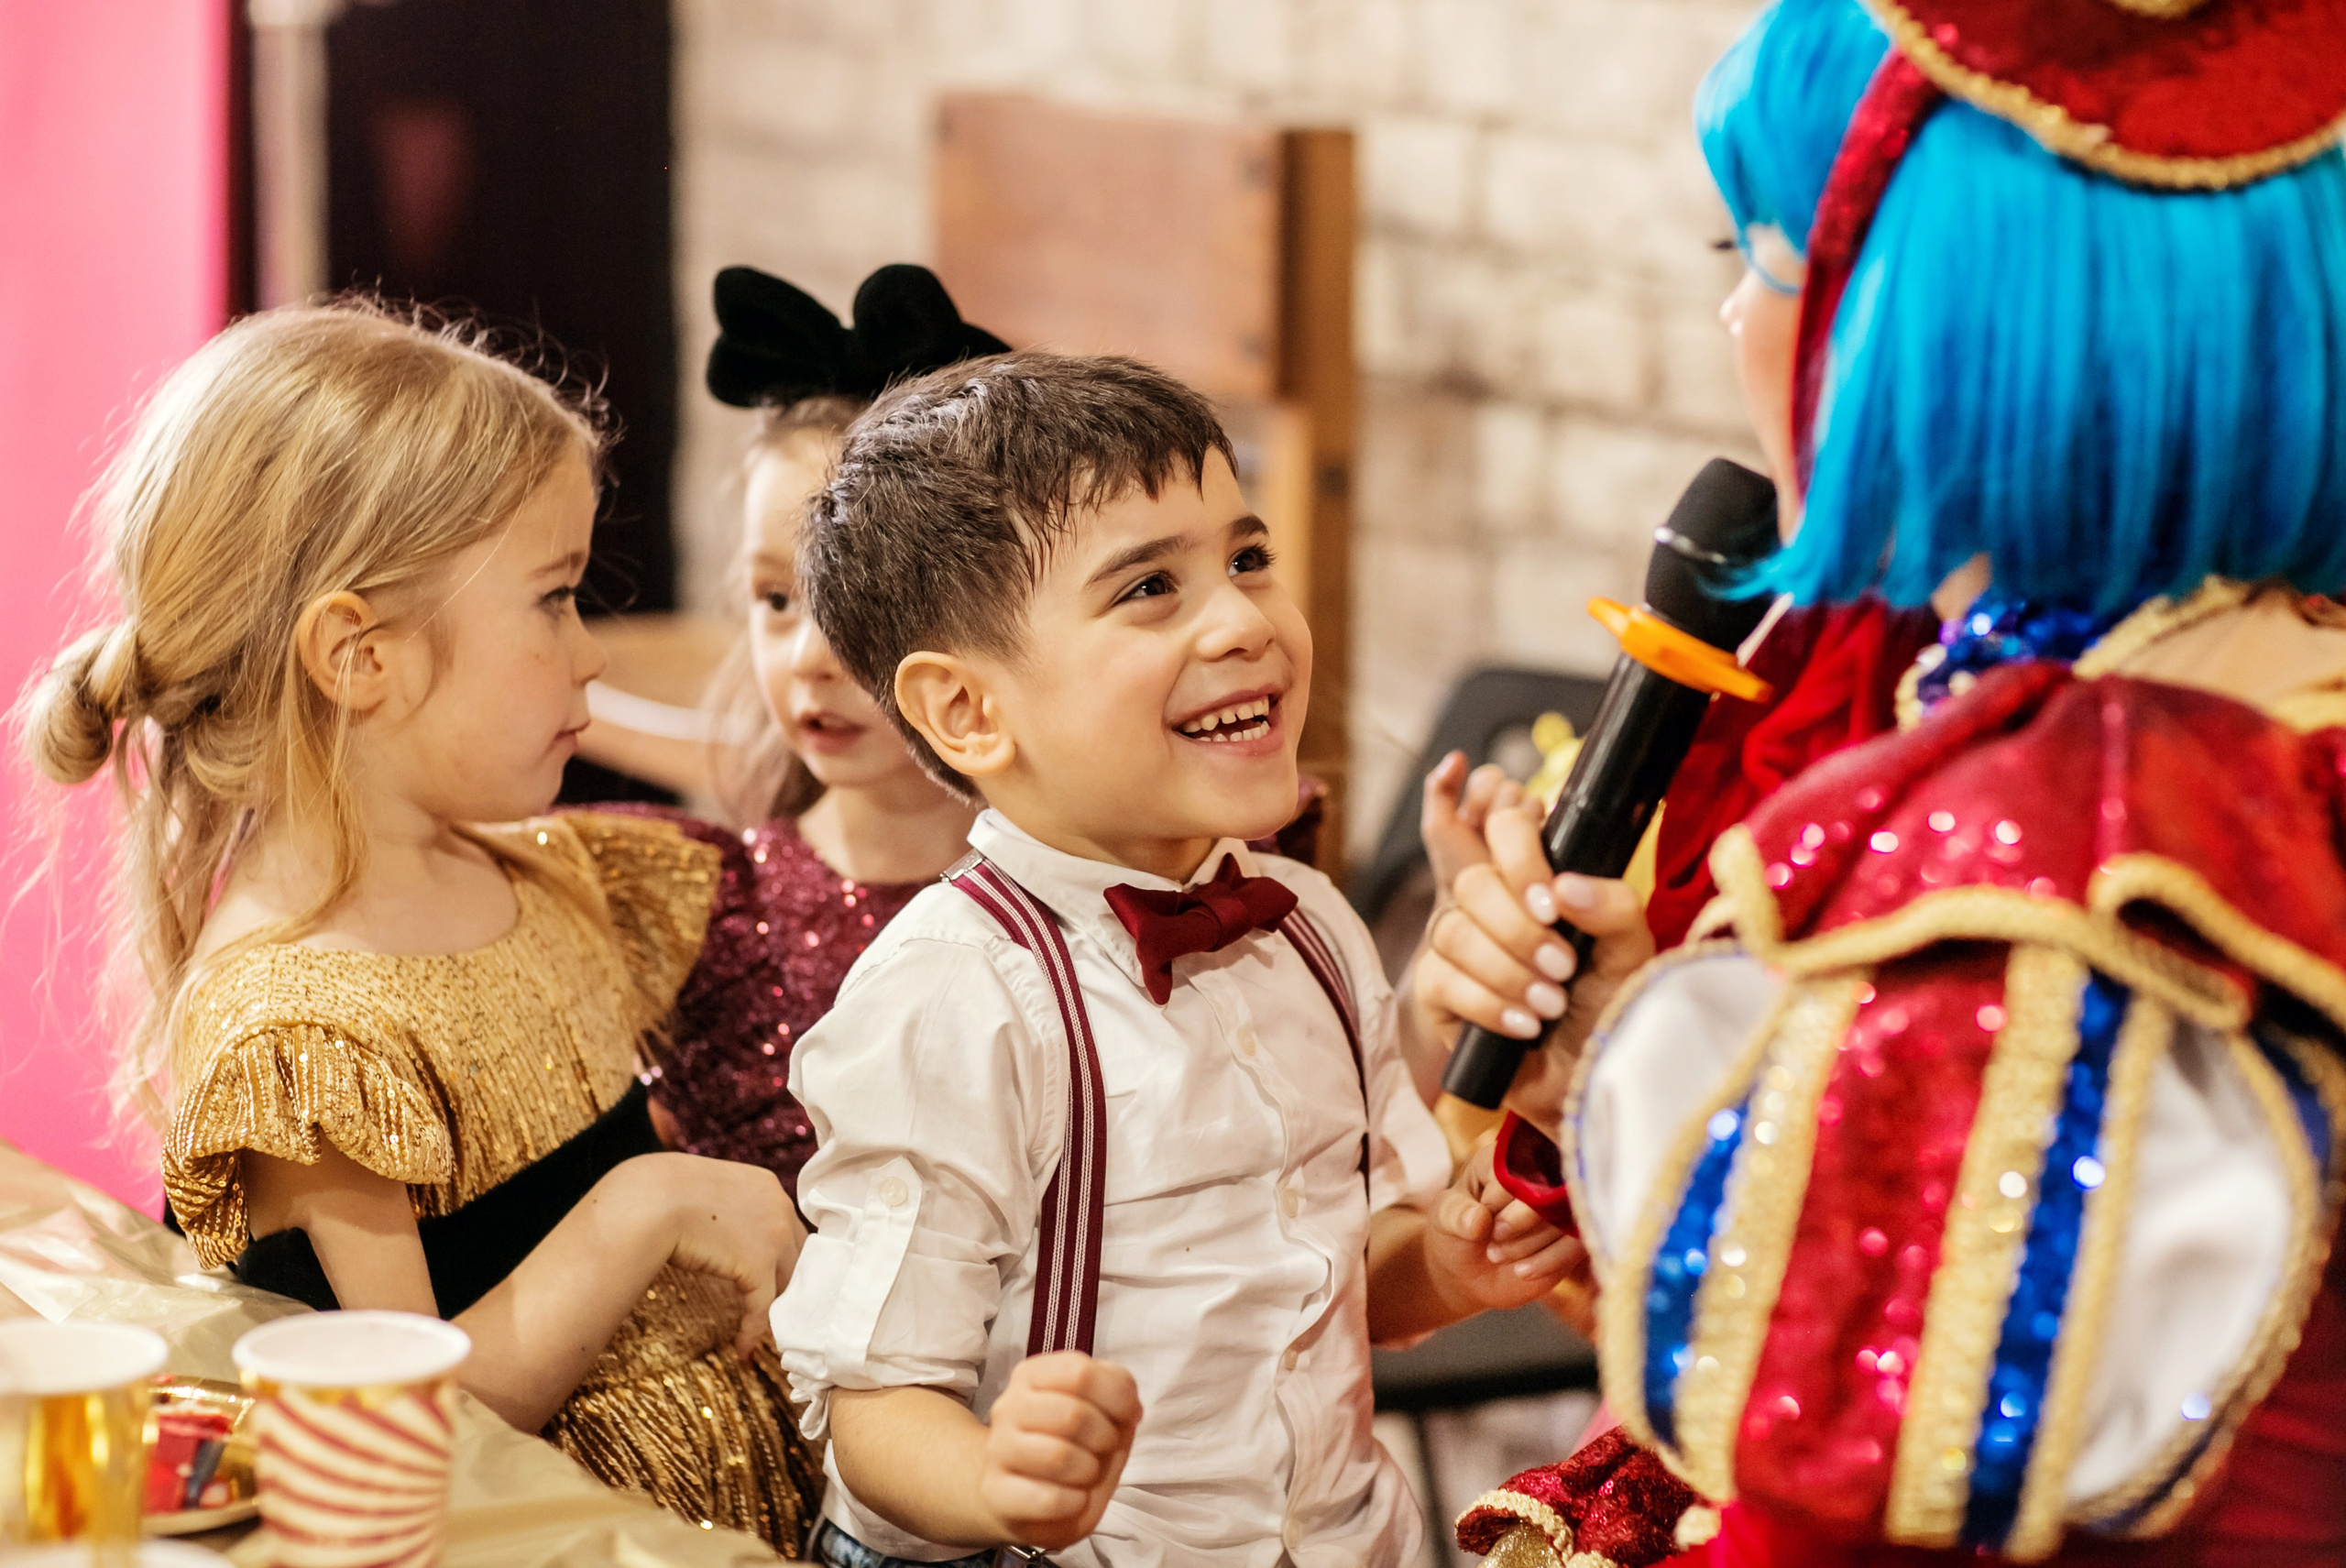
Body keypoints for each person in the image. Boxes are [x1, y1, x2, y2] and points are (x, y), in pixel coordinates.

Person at [1419, 1, 2346, 1564]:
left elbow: (1850, 1482)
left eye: (1773, 261)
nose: (1738, 329)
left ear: (1958, 321)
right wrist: (1619, 1038)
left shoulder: (2083, 836)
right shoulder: (2218, 704)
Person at [19, 302, 818, 1552]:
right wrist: (643, 1205)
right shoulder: (298, 1030)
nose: (587, 656)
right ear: (359, 653)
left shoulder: (541, 874)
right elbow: (405, 1421)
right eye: (552, 598)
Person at [767, 351, 1583, 1568]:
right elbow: (872, 1397)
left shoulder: (1310, 924)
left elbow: (1337, 1261)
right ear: (969, 710)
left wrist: (1447, 1267)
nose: (1246, 618)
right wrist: (995, 1475)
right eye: (1152, 586)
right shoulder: (955, 994)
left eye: (1247, 558)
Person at [577, 264, 995, 1190]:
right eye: (775, 598)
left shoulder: (1086, 898)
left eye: (864, 601)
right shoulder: (716, 906)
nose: (809, 653)